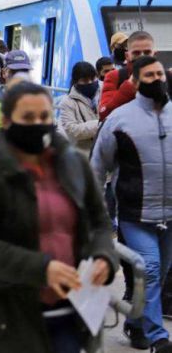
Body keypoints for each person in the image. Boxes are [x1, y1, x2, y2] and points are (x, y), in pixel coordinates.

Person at [0, 81, 116, 353]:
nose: (37, 124)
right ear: (7, 122)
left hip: (71, 316)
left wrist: (104, 257)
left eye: (44, 117)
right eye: (27, 118)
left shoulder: (74, 165)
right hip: (9, 321)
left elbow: (99, 221)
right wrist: (42, 269)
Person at [91, 55, 172, 352]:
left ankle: (135, 322)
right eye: (149, 75)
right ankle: (158, 338)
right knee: (149, 269)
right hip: (135, 214)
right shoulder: (120, 119)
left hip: (170, 214)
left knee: (158, 274)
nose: (157, 79)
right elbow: (98, 166)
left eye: (159, 74)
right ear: (135, 82)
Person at [99, 30, 155, 121]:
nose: (142, 56)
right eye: (136, 53)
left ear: (154, 54)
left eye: (147, 52)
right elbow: (104, 114)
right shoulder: (114, 76)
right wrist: (129, 86)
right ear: (127, 55)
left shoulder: (164, 78)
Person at [58, 61, 100, 155]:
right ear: (76, 81)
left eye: (93, 79)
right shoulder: (67, 102)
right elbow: (72, 131)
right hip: (84, 156)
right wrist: (100, 124)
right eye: (85, 80)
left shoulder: (105, 94)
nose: (90, 83)